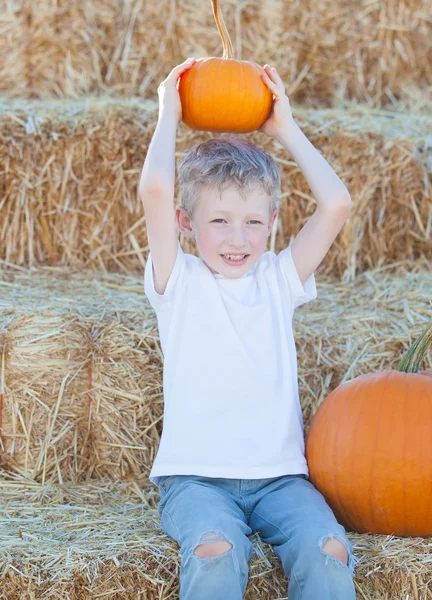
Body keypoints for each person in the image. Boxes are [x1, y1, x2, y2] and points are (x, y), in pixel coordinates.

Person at [138, 57, 357, 599]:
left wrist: (284, 126)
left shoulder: (279, 278)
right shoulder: (178, 281)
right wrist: (169, 111)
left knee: (329, 551)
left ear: (273, 223)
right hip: (196, 480)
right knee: (217, 554)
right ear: (187, 224)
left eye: (254, 222)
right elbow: (156, 191)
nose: (238, 239)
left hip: (281, 480)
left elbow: (337, 204)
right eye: (219, 221)